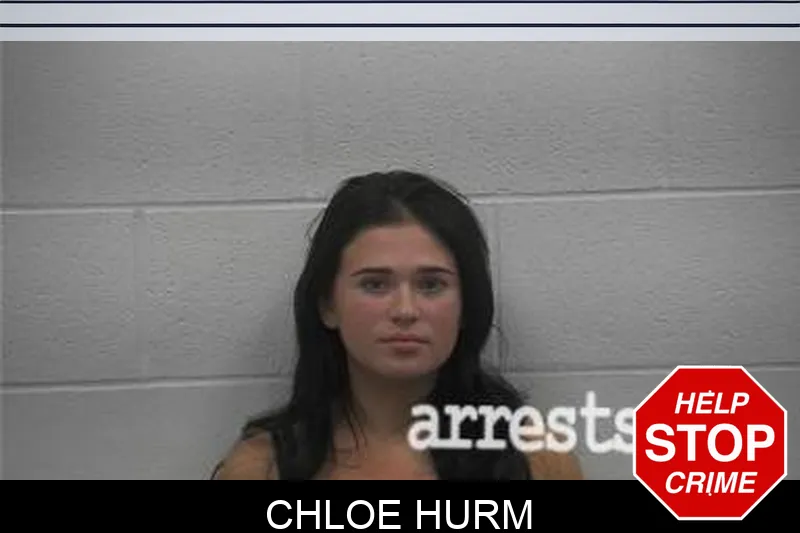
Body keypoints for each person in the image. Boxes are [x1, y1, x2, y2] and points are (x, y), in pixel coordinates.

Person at [212, 170, 582, 480]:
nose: (405, 310)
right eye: (375, 284)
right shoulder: (261, 467)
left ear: (466, 306)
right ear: (328, 305)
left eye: (431, 285)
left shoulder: (535, 461)